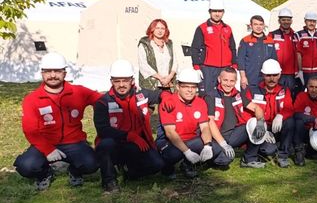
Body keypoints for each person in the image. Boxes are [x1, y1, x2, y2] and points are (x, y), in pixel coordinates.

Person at [15, 52, 102, 190]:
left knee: (92, 164)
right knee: (26, 166)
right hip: (45, 142)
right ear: (42, 73)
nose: (53, 75)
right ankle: (44, 173)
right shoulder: (32, 99)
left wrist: (129, 93)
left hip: (74, 142)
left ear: (65, 73)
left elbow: (102, 100)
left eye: (57, 71)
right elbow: (30, 130)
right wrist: (48, 150)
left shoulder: (78, 92)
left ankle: (74, 171)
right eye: (48, 71)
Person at [94, 60, 166, 193]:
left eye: (125, 80)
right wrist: (128, 135)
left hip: (135, 144)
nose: (121, 85)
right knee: (105, 144)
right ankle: (109, 181)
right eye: (117, 81)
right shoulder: (102, 102)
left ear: (132, 81)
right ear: (111, 81)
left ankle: (128, 171)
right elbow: (103, 130)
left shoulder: (141, 95)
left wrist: (167, 97)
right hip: (114, 143)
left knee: (158, 164)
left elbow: (159, 94)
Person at [156, 68, 216, 179]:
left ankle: (187, 165)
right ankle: (167, 167)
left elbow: (205, 127)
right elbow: (170, 133)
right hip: (169, 142)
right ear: (178, 87)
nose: (190, 90)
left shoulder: (200, 102)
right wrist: (187, 152)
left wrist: (208, 145)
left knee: (203, 144)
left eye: (193, 87)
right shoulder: (168, 103)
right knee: (175, 154)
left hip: (190, 139)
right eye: (186, 86)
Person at [241, 59, 295, 168]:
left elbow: (289, 108)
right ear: (263, 75)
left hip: (276, 126)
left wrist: (280, 116)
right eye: (268, 75)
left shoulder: (284, 90)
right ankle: (253, 154)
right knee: (269, 150)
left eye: (275, 75)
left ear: (280, 75)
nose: (272, 79)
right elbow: (246, 114)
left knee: (290, 122)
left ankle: (283, 156)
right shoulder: (252, 90)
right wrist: (262, 128)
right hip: (260, 127)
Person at [205, 67, 253, 169]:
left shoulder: (237, 95)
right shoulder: (211, 95)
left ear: (236, 82)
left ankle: (249, 158)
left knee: (254, 124)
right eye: (225, 80)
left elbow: (256, 108)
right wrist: (223, 144)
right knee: (225, 160)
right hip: (215, 137)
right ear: (219, 79)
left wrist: (261, 122)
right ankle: (209, 159)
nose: (228, 84)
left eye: (232, 81)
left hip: (232, 136)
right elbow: (210, 122)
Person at [191, 0, 237, 96]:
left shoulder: (227, 28)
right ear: (209, 12)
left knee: (224, 93)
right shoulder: (202, 28)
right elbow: (194, 48)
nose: (217, 14)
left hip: (225, 67)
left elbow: (232, 47)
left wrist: (234, 64)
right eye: (214, 11)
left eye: (219, 11)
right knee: (207, 93)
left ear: (223, 12)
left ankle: (222, 111)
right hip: (208, 67)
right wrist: (196, 66)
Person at [291, 75, 317, 166]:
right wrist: (312, 118)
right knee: (299, 121)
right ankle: (299, 150)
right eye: (311, 87)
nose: (314, 90)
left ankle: (304, 150)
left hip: (316, 134)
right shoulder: (301, 96)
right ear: (307, 86)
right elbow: (295, 114)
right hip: (303, 132)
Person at [237, 15, 276, 90]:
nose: (258, 27)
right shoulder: (245, 40)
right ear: (251, 25)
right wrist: (243, 77)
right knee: (248, 101)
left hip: (266, 80)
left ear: (264, 25)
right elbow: (241, 61)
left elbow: (274, 60)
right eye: (255, 24)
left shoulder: (270, 41)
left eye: (261, 24)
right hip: (249, 79)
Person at [137, 18, 177, 91]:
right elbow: (143, 65)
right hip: (151, 83)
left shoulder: (169, 44)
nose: (160, 31)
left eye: (162, 28)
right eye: (157, 28)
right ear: (152, 29)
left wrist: (169, 77)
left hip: (168, 83)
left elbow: (175, 63)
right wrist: (160, 78)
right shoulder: (144, 44)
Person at [269, 7, 300, 97]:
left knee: (290, 95)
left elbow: (299, 54)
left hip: (291, 74)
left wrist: (299, 70)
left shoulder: (295, 36)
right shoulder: (272, 35)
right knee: (276, 94)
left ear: (291, 21)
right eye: (283, 20)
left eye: (288, 20)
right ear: (279, 21)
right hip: (276, 73)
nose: (286, 22)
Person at [296, 12, 317, 87]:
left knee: (315, 92)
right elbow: (297, 53)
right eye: (309, 21)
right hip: (304, 71)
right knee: (302, 92)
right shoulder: (298, 35)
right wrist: (299, 71)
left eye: (314, 21)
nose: (311, 23)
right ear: (305, 21)